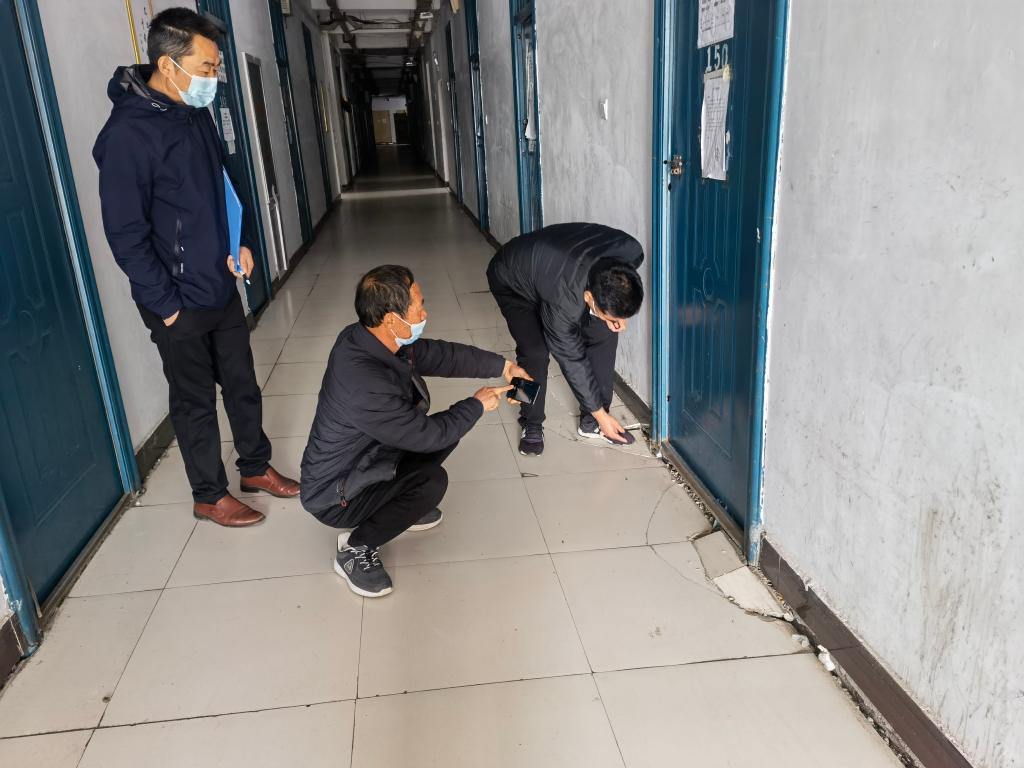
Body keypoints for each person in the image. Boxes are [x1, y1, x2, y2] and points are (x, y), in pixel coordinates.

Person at [93, 8, 299, 527]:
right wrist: (166, 306)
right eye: (207, 67)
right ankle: (209, 494)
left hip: (219, 283)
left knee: (242, 382)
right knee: (194, 400)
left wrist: (242, 241)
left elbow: (225, 185)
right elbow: (125, 234)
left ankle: (255, 467)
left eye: (216, 67)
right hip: (175, 299)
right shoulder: (127, 136)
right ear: (168, 64)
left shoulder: (194, 113)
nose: (214, 77)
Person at [300, 265, 529, 598]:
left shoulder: (367, 337)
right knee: (432, 481)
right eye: (418, 306)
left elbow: (438, 355)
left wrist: (502, 366)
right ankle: (355, 548)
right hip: (335, 495)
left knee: (450, 431)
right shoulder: (364, 383)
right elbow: (428, 436)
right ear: (391, 320)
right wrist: (477, 405)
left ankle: (396, 507)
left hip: (366, 457)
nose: (424, 313)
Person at [487, 222, 645, 456]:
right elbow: (572, 360)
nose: (620, 322)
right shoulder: (564, 301)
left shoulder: (630, 251)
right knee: (534, 352)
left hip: (554, 267)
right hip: (513, 280)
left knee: (604, 333)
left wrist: (616, 316)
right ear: (589, 297)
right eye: (612, 315)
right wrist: (601, 415)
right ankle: (530, 421)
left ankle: (592, 421)